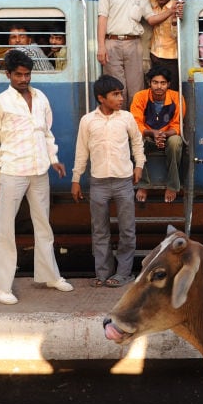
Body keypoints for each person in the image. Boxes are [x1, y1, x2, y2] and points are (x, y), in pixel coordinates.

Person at [0, 49, 74, 305]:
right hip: (12, 171)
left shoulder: (41, 97)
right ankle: (2, 286)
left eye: (27, 74)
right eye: (19, 75)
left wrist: (54, 160)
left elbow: (47, 133)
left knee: (43, 224)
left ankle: (49, 276)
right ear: (8, 74)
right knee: (6, 229)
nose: (24, 79)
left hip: (40, 170)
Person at [71, 75, 145, 288]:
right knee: (100, 231)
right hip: (98, 183)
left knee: (127, 230)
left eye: (120, 93)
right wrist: (76, 179)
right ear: (101, 98)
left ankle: (123, 273)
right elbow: (81, 151)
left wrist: (139, 165)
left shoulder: (127, 118)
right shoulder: (88, 121)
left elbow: (137, 143)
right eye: (115, 94)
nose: (121, 98)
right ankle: (102, 274)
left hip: (123, 181)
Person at [97, 0, 182, 102]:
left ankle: (135, 123)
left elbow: (151, 19)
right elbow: (102, 18)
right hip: (111, 43)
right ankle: (119, 123)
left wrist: (171, 11)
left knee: (137, 88)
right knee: (115, 88)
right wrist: (101, 46)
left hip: (134, 44)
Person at [131, 65, 185, 203]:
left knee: (176, 142)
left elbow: (177, 125)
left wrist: (163, 135)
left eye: (163, 83)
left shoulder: (177, 97)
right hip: (147, 135)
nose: (159, 86)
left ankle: (172, 185)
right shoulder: (140, 97)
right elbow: (136, 123)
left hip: (167, 136)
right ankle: (143, 185)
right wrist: (151, 133)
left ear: (168, 84)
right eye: (155, 82)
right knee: (133, 140)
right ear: (149, 83)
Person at [148, 0, 181, 89]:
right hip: (154, 56)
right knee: (155, 91)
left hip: (171, 58)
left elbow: (177, 36)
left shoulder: (178, 6)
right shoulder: (151, 2)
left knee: (171, 91)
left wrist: (174, 21)